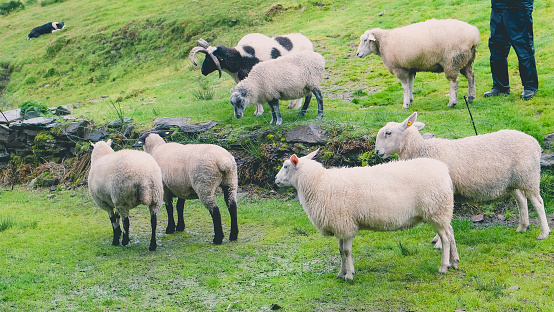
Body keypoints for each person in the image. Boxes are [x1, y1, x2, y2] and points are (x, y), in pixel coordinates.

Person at [484, 0, 538, 100]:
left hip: (519, 7)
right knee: (496, 45)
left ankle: (530, 86)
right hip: (498, 6)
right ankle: (500, 86)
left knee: (522, 45)